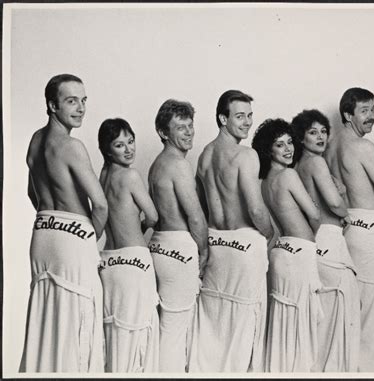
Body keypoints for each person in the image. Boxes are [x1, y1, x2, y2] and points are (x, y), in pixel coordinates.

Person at [20, 74, 108, 372]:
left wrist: (53, 222)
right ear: (52, 104)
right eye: (71, 101)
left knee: (47, 317)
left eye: (83, 100)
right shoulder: (72, 147)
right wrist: (87, 238)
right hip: (72, 236)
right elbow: (101, 204)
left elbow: (31, 192)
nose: (81, 108)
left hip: (43, 232)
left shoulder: (35, 140)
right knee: (79, 320)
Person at [188, 90, 274, 372]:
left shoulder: (205, 155)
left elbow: (200, 207)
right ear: (223, 118)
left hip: (216, 243)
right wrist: (269, 233)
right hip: (244, 243)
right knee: (247, 323)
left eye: (250, 115)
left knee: (215, 322)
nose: (248, 122)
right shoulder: (245, 155)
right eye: (240, 116)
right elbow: (257, 209)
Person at [325, 87, 374, 371]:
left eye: (373, 109)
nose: (372, 116)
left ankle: (353, 366)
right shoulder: (363, 147)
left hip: (347, 229)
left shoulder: (330, 147)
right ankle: (373, 370)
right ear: (347, 114)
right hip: (370, 230)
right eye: (364, 111)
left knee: (356, 303)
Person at [251, 118, 323, 372]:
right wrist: (311, 239)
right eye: (279, 145)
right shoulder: (289, 175)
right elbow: (314, 216)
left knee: (284, 318)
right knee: (302, 321)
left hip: (280, 252)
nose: (288, 149)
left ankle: (281, 371)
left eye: (290, 142)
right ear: (268, 150)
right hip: (299, 250)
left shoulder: (264, 183)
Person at [292, 109, 360, 372]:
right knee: (340, 310)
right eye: (312, 132)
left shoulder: (298, 165)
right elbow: (333, 202)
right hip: (329, 240)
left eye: (323, 131)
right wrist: (345, 208)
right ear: (301, 138)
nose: (320, 136)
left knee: (324, 314)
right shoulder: (317, 163)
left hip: (314, 242)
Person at [148, 99, 208, 372]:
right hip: (178, 247)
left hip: (159, 245)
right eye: (180, 127)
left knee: (166, 327)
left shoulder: (157, 164)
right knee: (175, 331)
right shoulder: (179, 165)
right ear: (163, 133)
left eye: (190, 125)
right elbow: (194, 215)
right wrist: (204, 251)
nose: (188, 132)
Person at [97, 118, 160, 372]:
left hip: (108, 262)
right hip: (134, 262)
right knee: (139, 336)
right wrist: (139, 229)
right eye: (119, 145)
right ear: (107, 149)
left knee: (114, 335)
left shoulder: (102, 176)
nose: (129, 149)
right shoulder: (130, 176)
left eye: (130, 141)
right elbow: (153, 216)